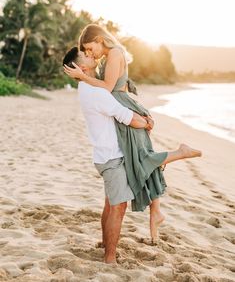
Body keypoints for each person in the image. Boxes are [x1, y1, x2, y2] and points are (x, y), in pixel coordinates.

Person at [63, 26, 202, 243]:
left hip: (122, 111)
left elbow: (108, 87)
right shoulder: (111, 56)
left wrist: (83, 77)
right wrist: (85, 77)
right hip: (120, 112)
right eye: (87, 52)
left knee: (142, 157)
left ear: (100, 40)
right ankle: (155, 212)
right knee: (141, 157)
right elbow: (114, 87)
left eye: (90, 48)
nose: (90, 53)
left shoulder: (115, 53)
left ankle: (178, 156)